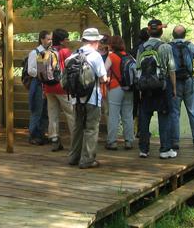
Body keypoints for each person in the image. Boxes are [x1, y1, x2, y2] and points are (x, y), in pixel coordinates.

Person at [68, 28, 108, 169]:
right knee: (91, 128)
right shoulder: (96, 56)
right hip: (92, 98)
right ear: (94, 41)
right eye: (98, 41)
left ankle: (73, 157)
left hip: (75, 99)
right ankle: (87, 160)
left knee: (77, 127)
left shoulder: (73, 55)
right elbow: (103, 78)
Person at [137, 19, 178, 159]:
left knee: (144, 117)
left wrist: (141, 88)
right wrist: (174, 88)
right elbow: (171, 69)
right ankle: (165, 149)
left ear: (148, 31)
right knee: (164, 116)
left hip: (146, 87)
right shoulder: (165, 47)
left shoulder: (141, 47)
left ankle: (143, 149)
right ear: (162, 31)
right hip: (162, 86)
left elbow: (138, 69)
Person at [169, 25, 194, 150]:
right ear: (184, 35)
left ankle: (175, 142)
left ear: (173, 35)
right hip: (189, 81)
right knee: (193, 111)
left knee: (175, 113)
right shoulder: (190, 46)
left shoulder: (168, 47)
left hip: (174, 82)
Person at [43, 29, 75, 151]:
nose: (68, 40)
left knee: (52, 115)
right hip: (62, 88)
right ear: (62, 41)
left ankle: (55, 139)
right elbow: (72, 69)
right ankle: (75, 140)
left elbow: (42, 71)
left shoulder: (47, 51)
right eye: (67, 38)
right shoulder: (66, 51)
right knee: (71, 114)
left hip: (48, 88)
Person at [104, 35, 135, 150]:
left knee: (113, 115)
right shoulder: (129, 56)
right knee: (128, 115)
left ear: (112, 45)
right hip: (129, 88)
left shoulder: (111, 56)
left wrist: (106, 79)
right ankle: (129, 141)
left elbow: (103, 70)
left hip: (115, 88)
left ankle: (112, 142)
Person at [26, 30, 51, 145]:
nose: (50, 41)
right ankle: (33, 135)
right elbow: (30, 70)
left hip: (45, 84)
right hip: (37, 84)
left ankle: (41, 134)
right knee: (37, 110)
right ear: (42, 39)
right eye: (48, 39)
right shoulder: (34, 53)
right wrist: (42, 74)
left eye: (51, 39)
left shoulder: (48, 52)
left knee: (44, 110)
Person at [131, 28, 150, 136]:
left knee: (135, 105)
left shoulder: (135, 48)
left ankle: (133, 130)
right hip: (146, 81)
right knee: (143, 106)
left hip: (135, 81)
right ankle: (141, 130)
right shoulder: (147, 47)